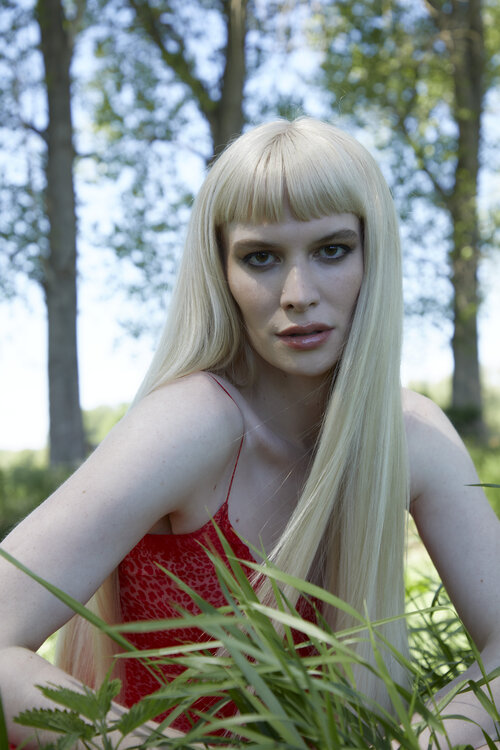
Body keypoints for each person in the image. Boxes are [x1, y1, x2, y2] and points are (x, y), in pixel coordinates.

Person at [1, 117, 499, 749]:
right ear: (222, 273)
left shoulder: (410, 434)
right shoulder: (192, 424)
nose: (298, 294)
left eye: (332, 250)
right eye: (261, 257)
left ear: (374, 255)